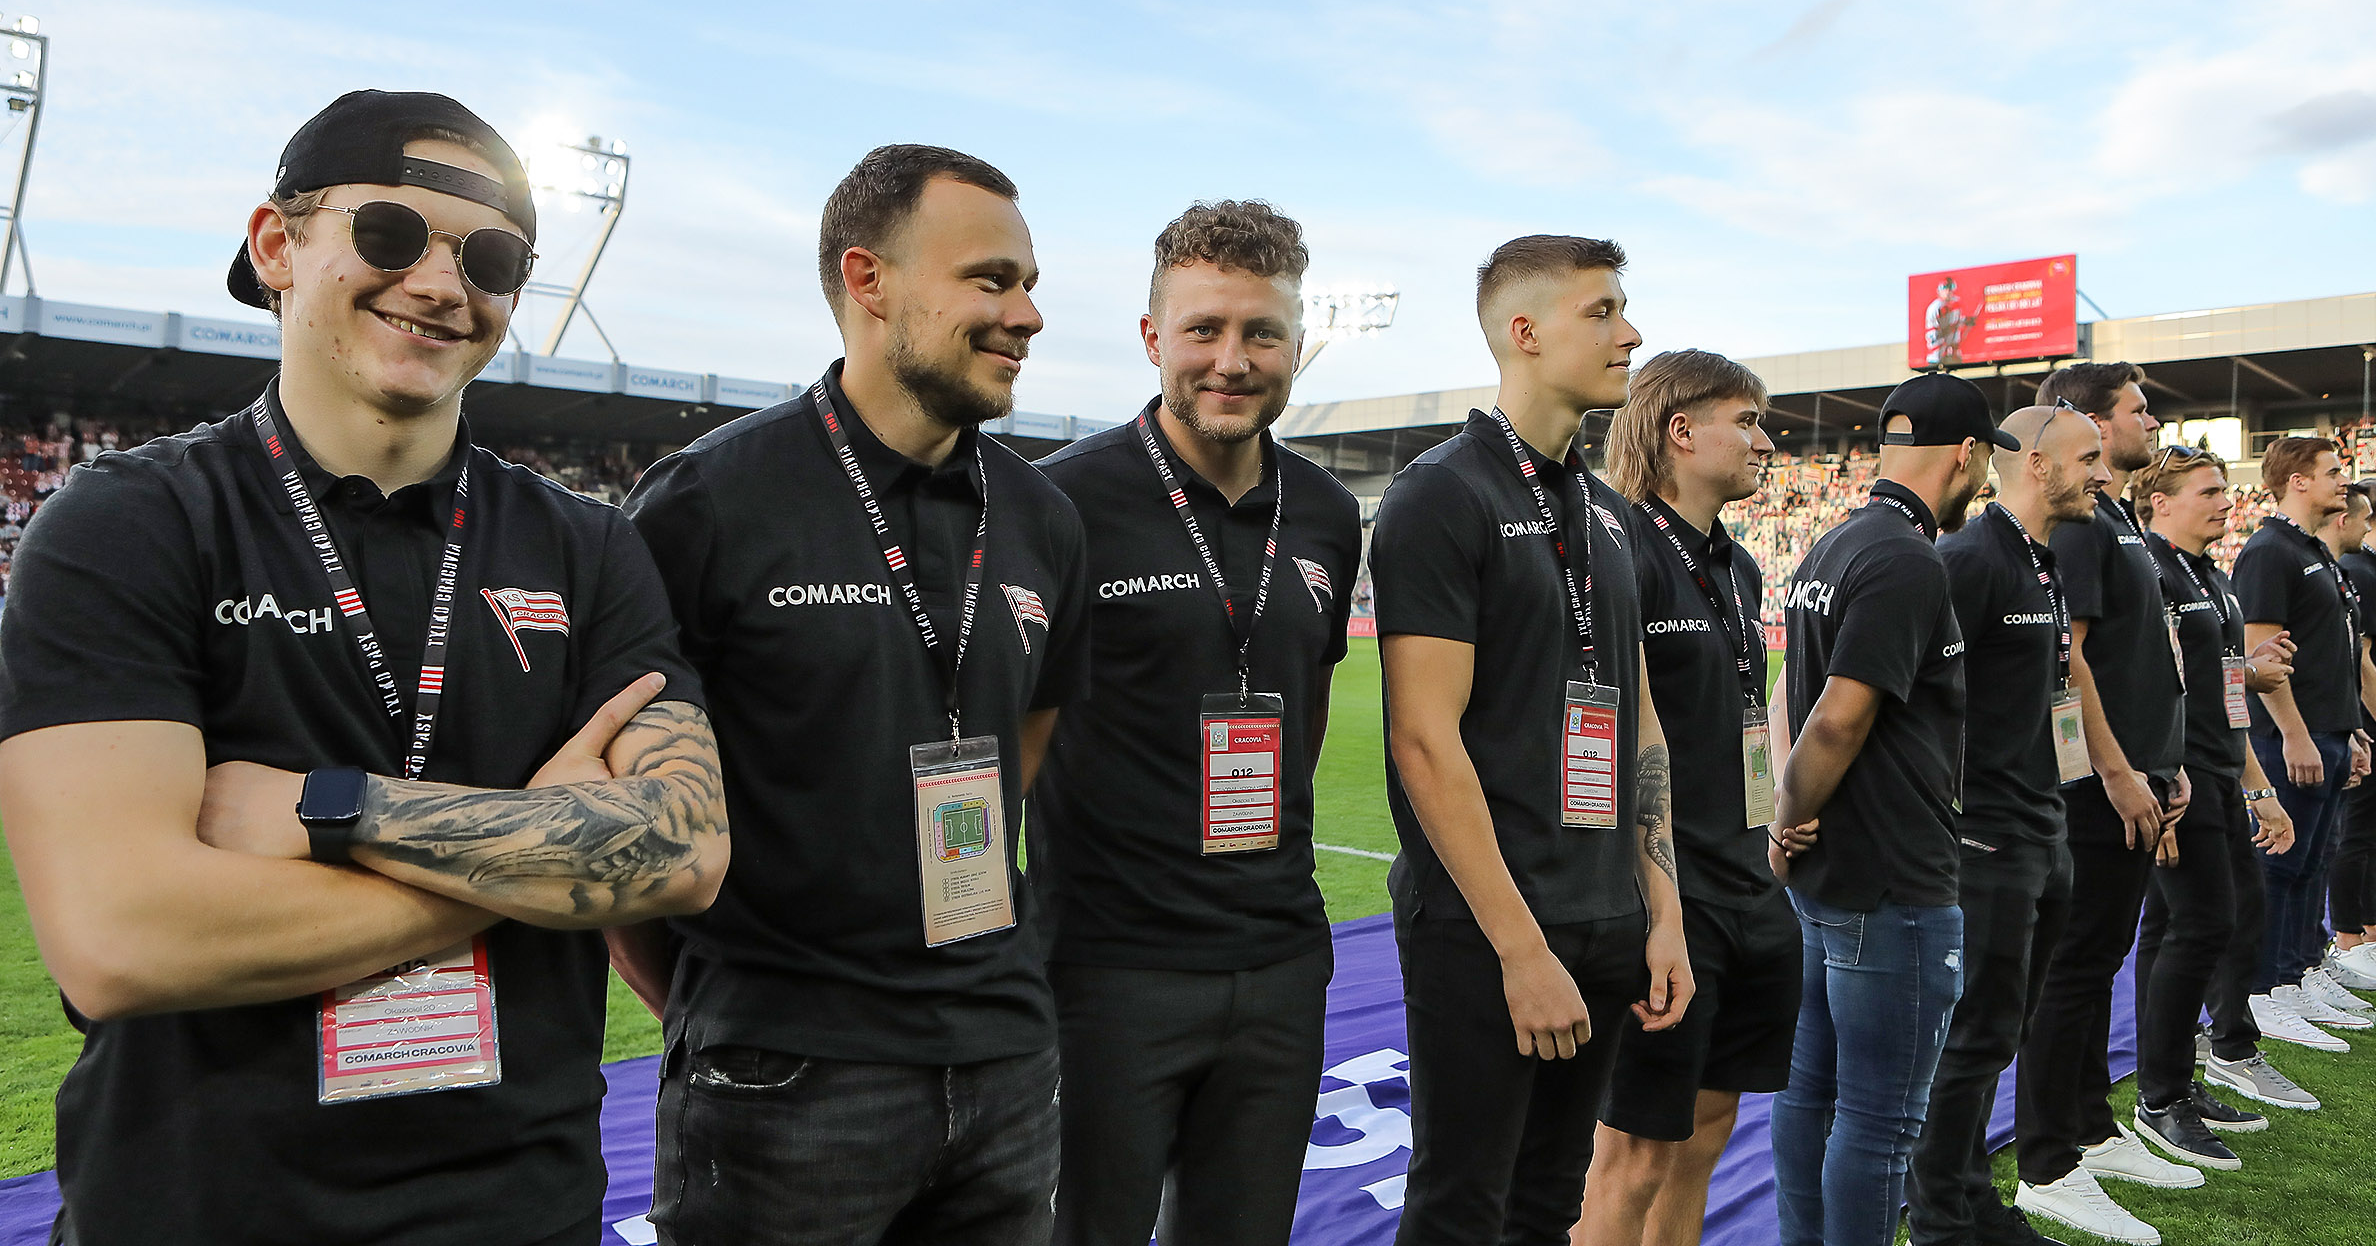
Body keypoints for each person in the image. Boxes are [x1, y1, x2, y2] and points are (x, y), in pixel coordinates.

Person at [0, 90, 727, 1246]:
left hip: (518, 1209)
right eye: (390, 235)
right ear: (277, 245)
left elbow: (684, 850)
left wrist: (335, 809)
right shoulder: (127, 521)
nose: (443, 282)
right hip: (199, 1210)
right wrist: (530, 843)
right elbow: (122, 939)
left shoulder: (587, 546)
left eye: (490, 256)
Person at [621, 145, 1090, 1246]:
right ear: (868, 280)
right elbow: (620, 810)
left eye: (1029, 284)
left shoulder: (1043, 517)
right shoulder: (706, 502)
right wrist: (718, 1012)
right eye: (991, 279)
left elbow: (1026, 730)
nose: (1025, 314)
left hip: (1008, 1052)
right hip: (788, 1070)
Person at [1031, 200, 1361, 1246]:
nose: (1233, 359)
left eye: (1262, 332)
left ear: (1296, 344)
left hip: (1278, 957)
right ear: (1151, 339)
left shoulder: (1326, 511)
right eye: (1204, 329)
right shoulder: (1061, 501)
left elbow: (1298, 712)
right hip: (1107, 967)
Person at [1374, 234, 1692, 1246]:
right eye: (1601, 311)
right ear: (1525, 331)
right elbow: (1423, 738)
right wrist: (1522, 948)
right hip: (1490, 928)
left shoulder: (1605, 511)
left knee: (1549, 1200)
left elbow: (1638, 717)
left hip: (1604, 915)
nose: (1630, 332)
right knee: (1463, 1203)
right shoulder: (1442, 491)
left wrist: (1662, 908)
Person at [1574, 350, 1795, 1246]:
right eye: (1746, 420)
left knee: (1705, 1137)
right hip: (1666, 902)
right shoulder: (1617, 547)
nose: (1764, 440)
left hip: (1749, 883)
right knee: (1631, 1154)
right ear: (1680, 430)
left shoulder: (1738, 567)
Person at [1769, 371, 1995, 1246]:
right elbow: (1837, 717)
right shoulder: (1907, 557)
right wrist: (1788, 810)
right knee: (1882, 1120)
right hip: (1892, 877)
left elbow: (1798, 690)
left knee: (1809, 1093)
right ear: (1969, 455)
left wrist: (1786, 815)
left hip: (1835, 870)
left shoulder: (1834, 542)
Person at [1906, 403, 2107, 1246]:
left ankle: (1970, 1195)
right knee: (1974, 1035)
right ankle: (1941, 1219)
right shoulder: (1967, 560)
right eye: (2087, 456)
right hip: (1983, 840)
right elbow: (1884, 683)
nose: (2102, 471)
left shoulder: (2042, 560)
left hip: (2040, 830)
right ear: (2034, 464)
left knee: (2004, 1032)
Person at [2011, 363, 2201, 1243]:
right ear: (2084, 419)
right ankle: (2047, 1162)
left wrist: (2163, 762)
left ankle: (2088, 1125)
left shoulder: (2116, 514)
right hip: (2092, 785)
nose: (2150, 418)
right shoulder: (2083, 526)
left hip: (2135, 771)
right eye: (2137, 407)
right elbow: (2069, 658)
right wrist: (2120, 771)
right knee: (2073, 968)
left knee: (2098, 961)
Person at [2129, 447, 2308, 1131]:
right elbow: (2145, 687)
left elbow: (2227, 697)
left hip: (2216, 774)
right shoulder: (2153, 571)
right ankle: (2164, 1093)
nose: (2224, 500)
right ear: (2162, 502)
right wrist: (2160, 786)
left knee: (2193, 923)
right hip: (2180, 778)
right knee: (2202, 923)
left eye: (2224, 489)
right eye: (2208, 490)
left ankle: (2171, 1077)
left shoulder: (2213, 579)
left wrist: (2257, 788)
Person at [2232, 438, 2376, 1050]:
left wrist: (2347, 728)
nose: (2343, 481)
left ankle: (2296, 975)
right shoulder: (2271, 550)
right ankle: (2265, 990)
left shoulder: (2313, 552)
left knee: (2312, 865)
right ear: (2297, 482)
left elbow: (2334, 656)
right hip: (2287, 739)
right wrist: (2296, 734)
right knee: (2281, 866)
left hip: (2326, 732)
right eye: (2332, 472)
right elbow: (2260, 654)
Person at [2333, 480, 2376, 985]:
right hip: (2374, 726)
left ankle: (2371, 925)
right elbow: (2364, 660)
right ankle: (2350, 934)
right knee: (2358, 831)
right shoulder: (2360, 571)